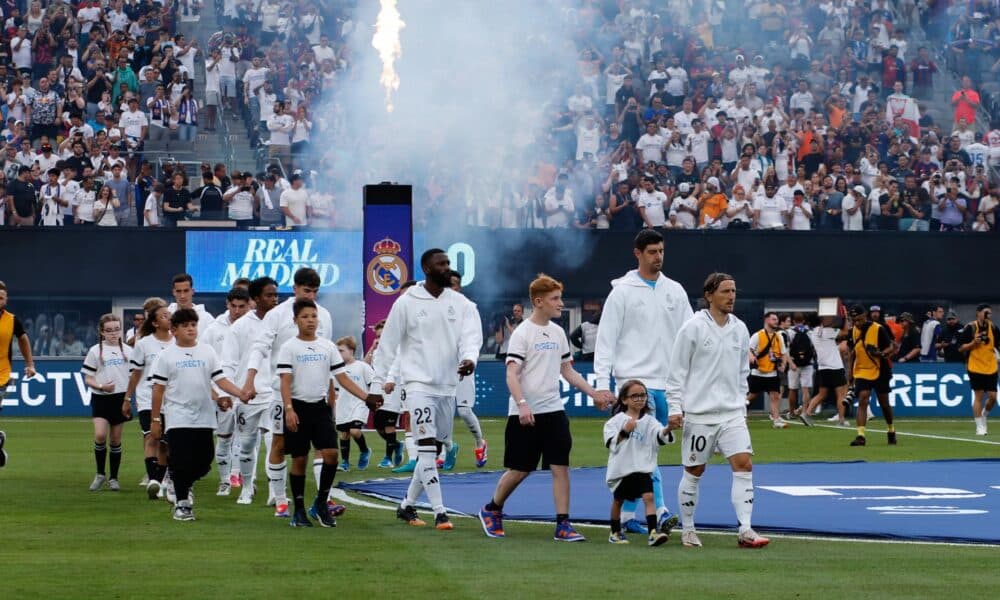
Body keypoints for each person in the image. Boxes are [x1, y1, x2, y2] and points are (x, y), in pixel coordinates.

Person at [477, 274, 599, 542]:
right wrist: (522, 405)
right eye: (555, 299)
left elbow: (567, 370)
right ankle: (492, 509)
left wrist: (594, 393)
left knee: (560, 467)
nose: (561, 303)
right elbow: (511, 374)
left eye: (560, 297)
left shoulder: (558, 333)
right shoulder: (522, 333)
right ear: (538, 301)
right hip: (525, 413)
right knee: (520, 469)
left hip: (554, 411)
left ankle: (563, 524)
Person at [368, 249, 482, 531]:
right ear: (426, 269)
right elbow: (388, 345)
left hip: (448, 385)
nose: (447, 268)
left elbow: (471, 337)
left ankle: (406, 505)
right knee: (427, 448)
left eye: (448, 264)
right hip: (417, 384)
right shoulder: (406, 303)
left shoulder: (462, 303)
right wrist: (376, 384)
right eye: (441, 264)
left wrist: (470, 358)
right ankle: (440, 512)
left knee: (436, 445)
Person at [593, 228, 688, 536]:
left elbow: (690, 336)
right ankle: (659, 512)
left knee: (645, 452)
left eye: (661, 251)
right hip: (633, 382)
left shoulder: (674, 290)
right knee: (643, 450)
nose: (658, 257)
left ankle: (626, 517)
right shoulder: (622, 292)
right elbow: (605, 339)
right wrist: (602, 384)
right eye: (652, 252)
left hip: (666, 382)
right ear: (638, 253)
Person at [665, 272, 769, 549]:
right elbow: (676, 372)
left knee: (744, 464)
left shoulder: (740, 328)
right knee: (694, 471)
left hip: (732, 413)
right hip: (700, 415)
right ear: (709, 295)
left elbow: (741, 373)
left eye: (734, 291)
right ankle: (688, 529)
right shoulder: (693, 328)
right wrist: (675, 407)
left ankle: (745, 529)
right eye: (725, 291)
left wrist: (742, 409)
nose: (731, 296)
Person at [245, 267, 334, 518]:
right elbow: (259, 348)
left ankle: (321, 500)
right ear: (294, 288)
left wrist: (331, 392)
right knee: (280, 442)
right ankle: (280, 498)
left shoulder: (324, 315)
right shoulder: (277, 314)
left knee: (321, 446)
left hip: (315, 394)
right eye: (307, 290)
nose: (311, 296)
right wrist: (249, 380)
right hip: (282, 392)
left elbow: (328, 354)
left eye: (315, 291)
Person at [277, 300, 372, 527]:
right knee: (299, 459)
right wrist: (288, 409)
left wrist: (366, 397)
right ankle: (298, 511)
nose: (310, 320)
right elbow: (285, 381)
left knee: (331, 455)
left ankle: (320, 503)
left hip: (320, 408)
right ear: (295, 320)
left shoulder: (327, 346)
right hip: (297, 408)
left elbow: (342, 378)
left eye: (313, 316)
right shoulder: (289, 347)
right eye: (305, 316)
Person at [150, 309, 247, 522]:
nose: (191, 329)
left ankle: (178, 481)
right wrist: (155, 419)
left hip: (204, 415)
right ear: (174, 330)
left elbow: (219, 380)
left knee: (204, 461)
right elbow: (158, 389)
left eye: (193, 325)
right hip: (178, 416)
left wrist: (237, 394)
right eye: (185, 326)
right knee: (182, 459)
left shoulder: (208, 351)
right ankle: (182, 505)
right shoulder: (165, 356)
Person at [222, 276, 280, 505]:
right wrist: (228, 392)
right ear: (255, 298)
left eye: (276, 294)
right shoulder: (240, 328)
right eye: (269, 295)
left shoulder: (283, 322)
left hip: (275, 393)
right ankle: (247, 487)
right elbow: (228, 362)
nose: (274, 299)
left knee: (275, 442)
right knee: (246, 446)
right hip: (248, 396)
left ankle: (276, 491)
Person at [604, 379, 676, 546]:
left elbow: (659, 436)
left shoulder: (650, 421)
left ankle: (652, 533)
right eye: (634, 396)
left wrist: (668, 429)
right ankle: (615, 531)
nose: (639, 399)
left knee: (649, 497)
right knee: (618, 500)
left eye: (642, 395)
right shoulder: (615, 421)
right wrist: (625, 431)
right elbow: (611, 444)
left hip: (642, 468)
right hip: (622, 469)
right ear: (624, 399)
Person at [203, 287, 251, 497]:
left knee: (247, 439)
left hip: (248, 392)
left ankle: (244, 479)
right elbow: (204, 359)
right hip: (224, 392)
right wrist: (216, 393)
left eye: (242, 306)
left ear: (249, 305)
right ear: (227, 304)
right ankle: (224, 481)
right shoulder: (214, 329)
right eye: (234, 306)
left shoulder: (255, 328)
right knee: (224, 438)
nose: (238, 311)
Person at [125, 298, 172, 498]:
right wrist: (127, 398)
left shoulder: (177, 342)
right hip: (147, 398)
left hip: (171, 400)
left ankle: (159, 480)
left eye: (169, 316)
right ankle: (153, 480)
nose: (168, 319)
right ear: (154, 322)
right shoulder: (143, 344)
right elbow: (136, 373)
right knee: (151, 436)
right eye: (164, 316)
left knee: (165, 443)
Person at [81, 314, 132, 492]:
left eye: (116, 329)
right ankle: (100, 473)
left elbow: (134, 376)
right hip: (101, 398)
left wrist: (129, 397)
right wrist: (101, 386)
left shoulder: (128, 351)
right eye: (109, 330)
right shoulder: (95, 351)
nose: (113, 333)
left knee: (116, 440)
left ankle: (114, 478)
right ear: (102, 332)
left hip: (120, 398)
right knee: (101, 435)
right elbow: (88, 378)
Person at [446, 269, 487, 469]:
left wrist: (469, 359)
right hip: (441, 367)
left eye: (452, 285)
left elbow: (474, 338)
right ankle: (443, 450)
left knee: (463, 411)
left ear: (458, 287)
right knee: (441, 411)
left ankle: (480, 443)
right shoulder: (437, 307)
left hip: (463, 366)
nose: (450, 289)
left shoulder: (469, 308)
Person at [845, 304, 897, 446]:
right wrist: (850, 374)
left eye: (860, 319)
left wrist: (881, 353)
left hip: (880, 369)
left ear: (865, 316)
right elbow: (852, 353)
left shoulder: (878, 329)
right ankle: (860, 436)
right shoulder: (852, 332)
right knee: (863, 399)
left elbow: (892, 346)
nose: (857, 323)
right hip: (862, 370)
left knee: (884, 404)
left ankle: (891, 430)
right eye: (854, 320)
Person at [0, 281, 36, 468]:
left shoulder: (12, 320)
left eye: (1, 297)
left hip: (2, 375)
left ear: (6, 300)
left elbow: (23, 338)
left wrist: (30, 364)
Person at [802, 311, 851, 427]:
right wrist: (844, 317)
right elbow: (846, 331)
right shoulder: (826, 331)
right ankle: (841, 420)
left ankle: (807, 413)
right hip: (835, 367)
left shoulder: (813, 332)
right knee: (842, 395)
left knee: (821, 394)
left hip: (823, 367)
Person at [333, 336, 374, 472]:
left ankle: (364, 450)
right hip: (343, 406)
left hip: (359, 404)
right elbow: (336, 390)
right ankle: (345, 462)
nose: (339, 354)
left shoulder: (363, 367)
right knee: (344, 434)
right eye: (337, 351)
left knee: (354, 431)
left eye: (341, 350)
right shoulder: (337, 370)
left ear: (351, 351)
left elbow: (372, 385)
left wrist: (373, 401)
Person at [958, 304, 999, 436]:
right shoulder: (970, 327)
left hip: (991, 366)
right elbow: (960, 348)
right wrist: (973, 343)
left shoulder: (993, 327)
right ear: (978, 313)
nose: (988, 315)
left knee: (993, 397)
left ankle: (984, 415)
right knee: (979, 396)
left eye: (990, 313)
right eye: (986, 312)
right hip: (975, 366)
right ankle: (979, 426)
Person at [747, 312, 790, 428]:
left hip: (772, 372)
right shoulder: (758, 335)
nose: (776, 321)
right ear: (767, 320)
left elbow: (783, 353)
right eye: (773, 319)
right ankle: (740, 416)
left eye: (776, 319)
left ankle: (776, 420)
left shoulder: (778, 336)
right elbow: (748, 349)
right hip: (758, 372)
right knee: (751, 396)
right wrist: (751, 357)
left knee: (775, 396)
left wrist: (783, 365)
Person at [167, 273, 215, 340]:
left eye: (186, 291)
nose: (182, 296)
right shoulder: (165, 317)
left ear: (192, 291)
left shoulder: (206, 319)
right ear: (174, 292)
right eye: (178, 291)